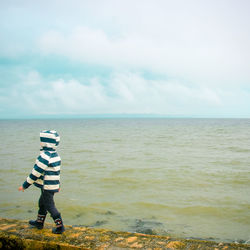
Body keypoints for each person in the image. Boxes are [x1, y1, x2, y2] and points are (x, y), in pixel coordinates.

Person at [18, 130, 65, 234]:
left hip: (47, 186)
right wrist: (58, 185)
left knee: (49, 205)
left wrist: (25, 185)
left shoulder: (44, 156)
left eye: (41, 140)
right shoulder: (56, 155)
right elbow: (57, 172)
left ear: (45, 142)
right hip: (50, 185)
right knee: (42, 203)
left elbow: (36, 172)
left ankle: (60, 226)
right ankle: (39, 222)